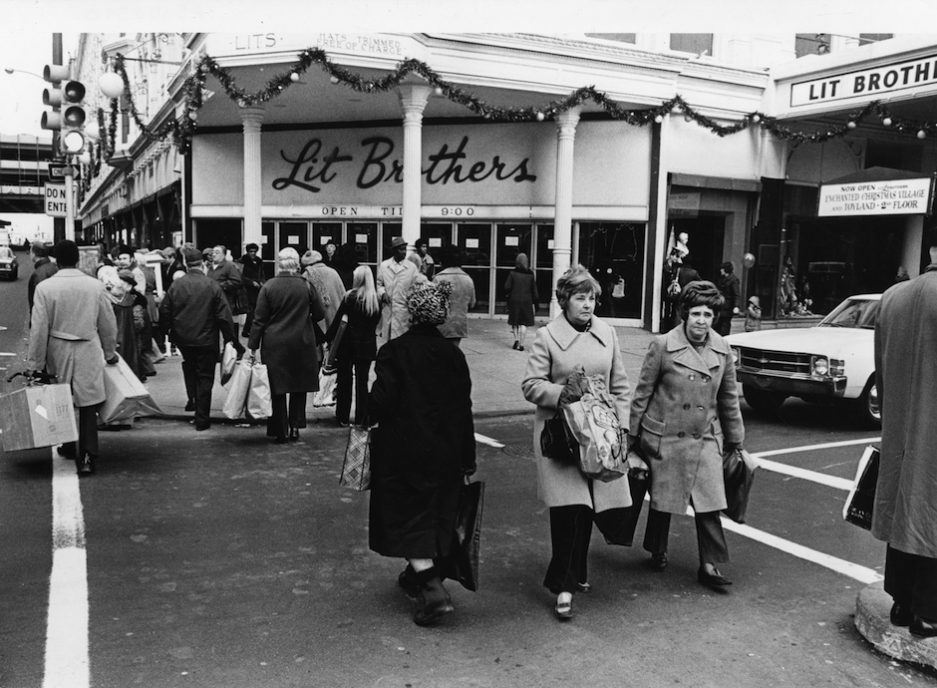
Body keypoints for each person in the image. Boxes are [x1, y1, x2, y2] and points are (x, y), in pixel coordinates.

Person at [521, 265, 633, 620]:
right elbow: (531, 385)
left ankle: (577, 569)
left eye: (592, 298)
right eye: (580, 297)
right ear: (563, 300)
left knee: (590, 507)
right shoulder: (546, 337)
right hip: (562, 438)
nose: (588, 305)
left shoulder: (608, 334)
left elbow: (621, 388)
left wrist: (622, 430)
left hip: (601, 436)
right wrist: (565, 394)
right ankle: (564, 585)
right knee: (570, 510)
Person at [368, 280, 476, 626]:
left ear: (411, 313)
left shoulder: (393, 352)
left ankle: (432, 591)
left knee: (405, 516)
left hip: (402, 451)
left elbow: (380, 404)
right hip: (446, 451)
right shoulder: (453, 355)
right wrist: (468, 456)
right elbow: (464, 409)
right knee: (436, 513)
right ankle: (418, 574)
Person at [629, 280, 745, 591]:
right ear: (684, 314)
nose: (701, 321)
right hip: (666, 434)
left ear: (714, 317)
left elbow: (729, 397)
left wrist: (735, 439)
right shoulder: (663, 345)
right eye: (695, 313)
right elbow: (643, 392)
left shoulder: (722, 350)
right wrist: (632, 436)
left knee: (709, 501)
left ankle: (709, 564)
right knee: (664, 499)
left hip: (705, 435)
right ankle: (657, 547)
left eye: (708, 314)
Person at [872, 233, 937, 638]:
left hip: (900, 424)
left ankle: (900, 601)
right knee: (930, 510)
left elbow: (881, 369)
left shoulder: (892, 298)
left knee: (903, 505)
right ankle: (928, 613)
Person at [27, 240, 119, 475]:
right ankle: (87, 456)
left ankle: (67, 444)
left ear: (56, 260)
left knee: (60, 399)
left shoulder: (45, 288)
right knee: (88, 404)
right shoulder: (95, 286)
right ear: (78, 259)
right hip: (88, 346)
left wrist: (36, 364)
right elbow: (108, 323)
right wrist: (110, 352)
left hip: (58, 348)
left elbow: (38, 329)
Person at [160, 246, 242, 431]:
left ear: (187, 265)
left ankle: (192, 399)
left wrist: (169, 332)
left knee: (189, 367)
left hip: (183, 338)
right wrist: (232, 340)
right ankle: (202, 418)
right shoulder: (211, 285)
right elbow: (224, 316)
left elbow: (164, 310)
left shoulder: (177, 285)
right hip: (207, 338)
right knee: (205, 376)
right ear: (203, 265)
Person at [248, 247, 325, 443]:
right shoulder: (306, 285)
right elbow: (319, 314)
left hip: (275, 344)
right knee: (298, 387)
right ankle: (295, 427)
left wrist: (252, 347)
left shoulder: (268, 286)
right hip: (302, 341)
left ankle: (279, 429)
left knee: (277, 387)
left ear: (279, 263)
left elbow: (259, 320)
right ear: (297, 264)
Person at [326, 265, 381, 427]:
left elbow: (338, 321)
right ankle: (361, 418)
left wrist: (326, 338)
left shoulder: (350, 297)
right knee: (363, 382)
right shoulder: (374, 300)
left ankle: (343, 416)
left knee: (345, 380)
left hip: (347, 345)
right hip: (367, 345)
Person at [376, 236, 419, 345]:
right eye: (401, 249)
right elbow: (379, 284)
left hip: (404, 311)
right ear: (394, 250)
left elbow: (415, 288)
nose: (404, 252)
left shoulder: (412, 268)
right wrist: (383, 293)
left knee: (402, 342)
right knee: (386, 342)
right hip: (388, 309)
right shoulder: (384, 265)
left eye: (405, 249)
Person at [433, 244, 477, 347]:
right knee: (454, 351)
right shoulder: (468, 279)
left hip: (441, 325)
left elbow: (433, 304)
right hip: (459, 324)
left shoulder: (439, 278)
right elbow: (472, 303)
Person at [302, 249, 346, 333]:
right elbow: (343, 295)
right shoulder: (333, 272)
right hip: (336, 320)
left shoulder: (306, 275)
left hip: (319, 325)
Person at [505, 252, 538, 351]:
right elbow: (534, 290)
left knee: (515, 321)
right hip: (527, 300)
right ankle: (522, 344)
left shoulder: (512, 273)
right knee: (524, 323)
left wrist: (508, 296)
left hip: (514, 300)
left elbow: (507, 287)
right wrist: (536, 302)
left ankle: (516, 340)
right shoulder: (530, 274)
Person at [207, 244, 244, 318]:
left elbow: (237, 281)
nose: (214, 254)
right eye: (213, 252)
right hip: (212, 302)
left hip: (225, 301)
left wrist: (220, 285)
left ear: (224, 255)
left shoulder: (229, 266)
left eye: (217, 252)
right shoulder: (210, 267)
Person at [238, 242, 266, 338]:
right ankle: (247, 330)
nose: (253, 253)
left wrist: (262, 281)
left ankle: (250, 330)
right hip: (246, 289)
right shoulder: (242, 261)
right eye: (251, 251)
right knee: (250, 311)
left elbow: (261, 273)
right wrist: (251, 282)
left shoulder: (259, 261)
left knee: (256, 310)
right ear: (247, 252)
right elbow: (240, 276)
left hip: (257, 289)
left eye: (254, 251)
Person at [27, 241, 58, 315]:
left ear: (34, 254)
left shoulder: (37, 275)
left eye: (30, 252)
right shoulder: (54, 267)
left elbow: (36, 304)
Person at [715, 261, 740, 336]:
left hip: (728, 306)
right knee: (718, 324)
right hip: (721, 304)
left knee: (725, 325)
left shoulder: (733, 280)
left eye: (722, 269)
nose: (720, 270)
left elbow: (736, 294)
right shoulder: (722, 278)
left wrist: (736, 306)